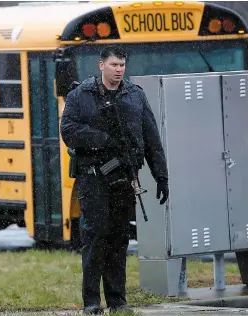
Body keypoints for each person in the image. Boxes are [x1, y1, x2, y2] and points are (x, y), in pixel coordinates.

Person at [60, 46, 169, 314]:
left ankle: (118, 301)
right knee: (95, 238)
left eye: (122, 65)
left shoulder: (135, 96)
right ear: (101, 66)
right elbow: (69, 131)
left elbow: (152, 140)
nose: (119, 70)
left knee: (118, 241)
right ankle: (92, 302)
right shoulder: (81, 95)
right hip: (93, 179)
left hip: (124, 179)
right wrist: (104, 141)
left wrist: (161, 175)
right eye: (114, 65)